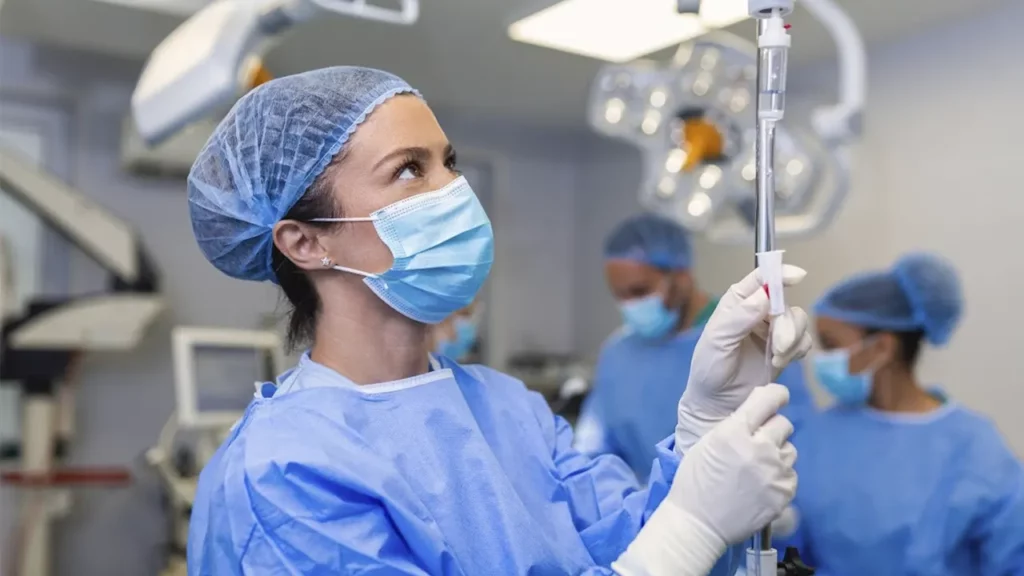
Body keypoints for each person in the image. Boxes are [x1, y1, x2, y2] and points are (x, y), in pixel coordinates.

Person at [184, 66, 814, 576]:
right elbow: (668, 553)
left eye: (448, 162)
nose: (454, 190)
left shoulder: (506, 409)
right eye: (409, 169)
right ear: (304, 243)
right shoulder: (281, 476)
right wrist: (692, 528)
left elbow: (633, 544)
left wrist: (702, 429)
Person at [778, 253, 1024, 575]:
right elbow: (788, 557)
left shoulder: (975, 449)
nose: (821, 359)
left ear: (882, 347)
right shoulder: (814, 438)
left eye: (831, 344)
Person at [576, 214, 816, 481]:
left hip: (738, 503)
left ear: (681, 276)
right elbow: (594, 449)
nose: (629, 305)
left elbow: (796, 440)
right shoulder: (618, 353)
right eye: (619, 295)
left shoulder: (750, 341)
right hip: (644, 513)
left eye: (639, 291)